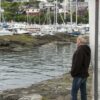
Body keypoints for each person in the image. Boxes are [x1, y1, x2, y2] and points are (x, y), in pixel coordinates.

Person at [71, 35, 91, 100]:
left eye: (77, 40)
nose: (76, 42)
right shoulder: (87, 49)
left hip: (78, 75)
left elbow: (77, 64)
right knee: (83, 93)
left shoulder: (80, 50)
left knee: (74, 92)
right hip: (84, 74)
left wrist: (73, 73)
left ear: (79, 41)